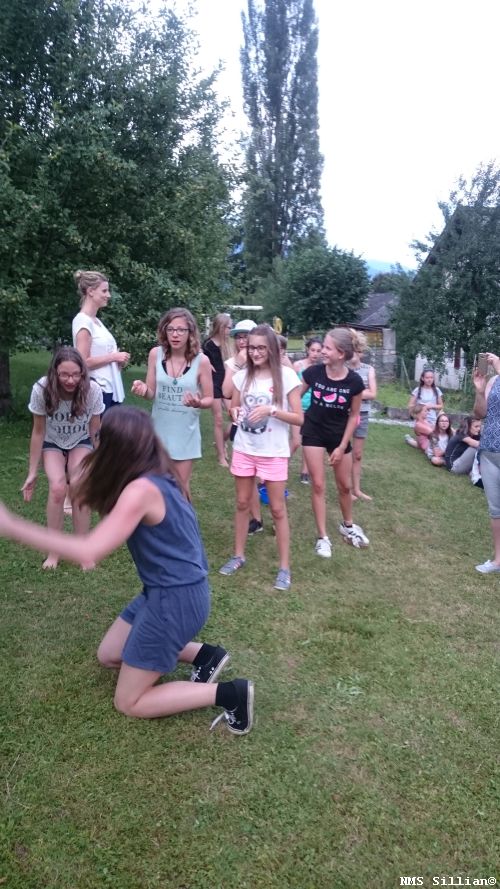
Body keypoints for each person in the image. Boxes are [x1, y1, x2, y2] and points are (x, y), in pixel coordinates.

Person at [1, 407, 254, 733]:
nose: (95, 443)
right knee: (109, 654)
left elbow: (89, 550)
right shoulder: (160, 475)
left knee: (129, 701)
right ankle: (206, 655)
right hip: (166, 591)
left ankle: (231, 693)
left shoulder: (141, 491)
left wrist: (12, 526)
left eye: (100, 438)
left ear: (114, 446)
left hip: (175, 600)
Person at [219, 324, 303, 591]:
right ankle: (238, 555)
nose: (255, 353)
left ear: (272, 350)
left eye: (260, 348)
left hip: (273, 452)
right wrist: (234, 412)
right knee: (242, 503)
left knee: (277, 509)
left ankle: (284, 568)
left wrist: (271, 410)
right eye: (251, 347)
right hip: (245, 448)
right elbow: (233, 405)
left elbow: (299, 417)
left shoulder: (286, 376)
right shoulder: (242, 376)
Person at [22, 347, 104, 569]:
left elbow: (95, 429)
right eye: (64, 375)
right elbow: (38, 432)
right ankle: (54, 552)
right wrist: (32, 472)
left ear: (82, 373)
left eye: (76, 374)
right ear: (54, 373)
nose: (70, 380)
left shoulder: (92, 390)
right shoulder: (42, 389)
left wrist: (100, 462)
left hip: (80, 440)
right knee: (58, 488)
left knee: (79, 485)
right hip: (52, 442)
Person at [300, 328, 369, 558]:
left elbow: (354, 415)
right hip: (313, 432)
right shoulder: (313, 372)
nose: (322, 351)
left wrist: (341, 446)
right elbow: (294, 397)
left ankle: (348, 525)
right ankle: (323, 537)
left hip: (339, 436)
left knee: (345, 486)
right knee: (318, 485)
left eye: (327, 348)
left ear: (341, 354)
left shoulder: (354, 381)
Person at [131, 308, 213, 496]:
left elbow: (209, 398)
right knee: (156, 488)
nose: (175, 334)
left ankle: (185, 516)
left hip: (185, 434)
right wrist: (143, 389)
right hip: (159, 433)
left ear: (190, 332)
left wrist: (198, 402)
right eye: (171, 329)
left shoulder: (202, 361)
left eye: (181, 330)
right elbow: (151, 393)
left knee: (180, 489)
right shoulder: (155, 354)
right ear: (164, 331)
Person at [223, 320, 263, 534]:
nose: (242, 341)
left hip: (266, 429)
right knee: (247, 478)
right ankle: (256, 519)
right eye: (238, 337)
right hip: (242, 427)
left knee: (264, 477)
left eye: (246, 336)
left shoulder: (267, 361)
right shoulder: (233, 363)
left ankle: (273, 516)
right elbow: (226, 391)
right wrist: (238, 364)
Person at [72, 270, 130, 410]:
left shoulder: (97, 321)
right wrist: (113, 357)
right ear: (91, 291)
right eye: (104, 291)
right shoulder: (83, 321)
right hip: (98, 390)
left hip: (111, 388)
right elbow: (83, 362)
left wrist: (118, 362)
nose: (108, 295)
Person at [472, 355, 500, 573]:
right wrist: (480, 390)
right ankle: (498, 560)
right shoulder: (494, 380)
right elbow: (480, 413)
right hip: (489, 450)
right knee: (495, 509)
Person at [347, 330, 377, 500]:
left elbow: (373, 393)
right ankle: (346, 489)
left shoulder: (368, 369)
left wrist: (351, 392)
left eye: (357, 350)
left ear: (361, 352)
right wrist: (360, 392)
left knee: (357, 454)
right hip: (344, 415)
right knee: (344, 452)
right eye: (351, 349)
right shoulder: (342, 369)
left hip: (362, 414)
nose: (354, 353)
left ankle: (356, 490)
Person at [203, 313, 233, 467]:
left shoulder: (228, 345)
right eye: (228, 327)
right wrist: (206, 364)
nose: (230, 330)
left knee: (235, 417)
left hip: (226, 383)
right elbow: (196, 358)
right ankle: (221, 456)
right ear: (221, 327)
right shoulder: (207, 345)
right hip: (213, 384)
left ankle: (221, 441)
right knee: (219, 419)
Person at [292, 337, 323, 484]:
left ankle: (305, 472)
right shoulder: (298, 366)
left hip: (313, 409)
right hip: (297, 408)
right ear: (307, 350)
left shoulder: (321, 369)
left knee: (308, 441)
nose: (315, 354)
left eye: (318, 351)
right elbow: (290, 386)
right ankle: (279, 466)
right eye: (313, 350)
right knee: (296, 442)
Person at [407, 368, 444, 452]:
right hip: (421, 420)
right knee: (425, 441)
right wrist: (420, 408)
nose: (429, 379)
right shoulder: (417, 390)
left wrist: (431, 406)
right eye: (427, 377)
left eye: (431, 377)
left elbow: (441, 406)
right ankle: (409, 439)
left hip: (433, 419)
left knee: (427, 441)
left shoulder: (437, 390)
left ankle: (409, 439)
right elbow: (410, 405)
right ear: (422, 378)